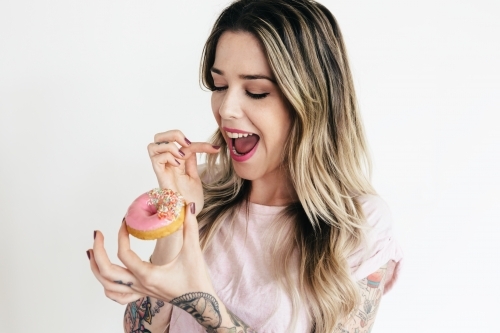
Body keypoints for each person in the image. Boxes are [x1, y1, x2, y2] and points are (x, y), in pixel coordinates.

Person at [87, 0, 403, 332]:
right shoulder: (203, 195)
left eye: (256, 91)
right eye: (220, 86)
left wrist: (204, 308)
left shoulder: (361, 227)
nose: (226, 109)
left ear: (313, 103)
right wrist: (177, 219)